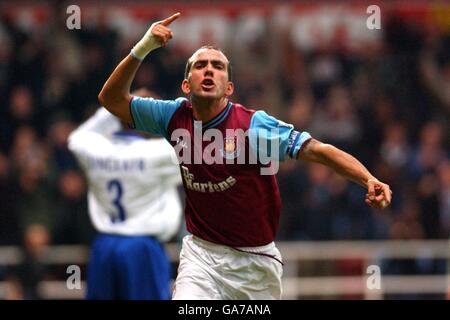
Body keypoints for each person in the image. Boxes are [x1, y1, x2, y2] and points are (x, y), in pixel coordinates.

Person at [98, 12, 392, 299]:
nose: (209, 69)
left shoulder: (254, 126)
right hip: (201, 256)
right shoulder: (172, 116)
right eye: (200, 65)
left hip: (256, 264)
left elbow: (319, 150)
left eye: (217, 66)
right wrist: (144, 46)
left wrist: (367, 178)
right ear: (187, 85)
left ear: (229, 87)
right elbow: (110, 99)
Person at [67, 93, 183, 300]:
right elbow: (203, 150)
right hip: (142, 249)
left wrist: (118, 104)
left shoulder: (96, 151)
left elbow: (76, 138)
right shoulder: (158, 154)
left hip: (104, 247)